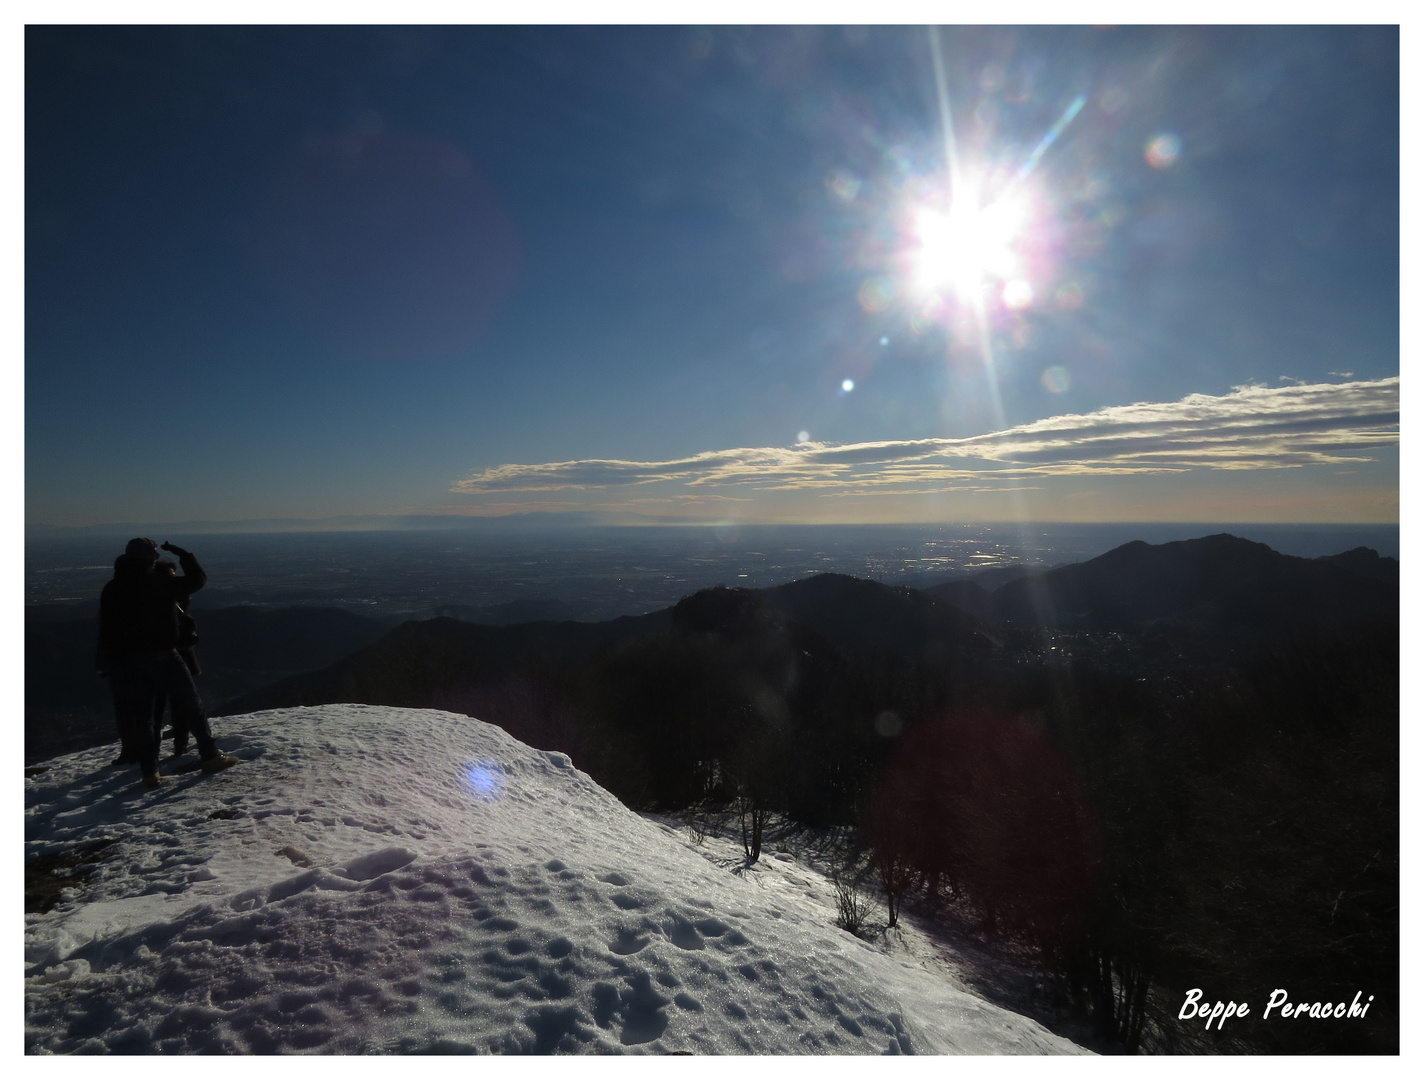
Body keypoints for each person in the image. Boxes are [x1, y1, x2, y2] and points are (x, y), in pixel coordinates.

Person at [97, 538, 238, 788]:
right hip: (163, 656)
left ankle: (150, 773)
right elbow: (197, 581)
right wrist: (185, 555)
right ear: (152, 559)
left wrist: (109, 661)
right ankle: (209, 756)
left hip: (127, 663)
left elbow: (106, 629)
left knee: (144, 718)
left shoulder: (112, 588)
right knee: (192, 706)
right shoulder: (159, 582)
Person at [153, 559, 201, 757]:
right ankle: (181, 744)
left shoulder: (149, 593)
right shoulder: (171, 595)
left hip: (152, 656)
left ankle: (152, 749)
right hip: (174, 653)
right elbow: (198, 580)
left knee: (156, 705)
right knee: (182, 702)